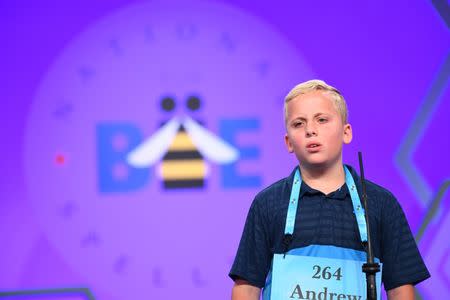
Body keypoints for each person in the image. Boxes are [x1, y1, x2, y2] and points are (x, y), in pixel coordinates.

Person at [229, 80, 430, 300]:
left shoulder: (381, 203)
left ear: (346, 132)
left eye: (322, 120)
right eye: (298, 124)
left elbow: (401, 289)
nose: (310, 130)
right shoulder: (268, 203)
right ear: (288, 142)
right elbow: (246, 288)